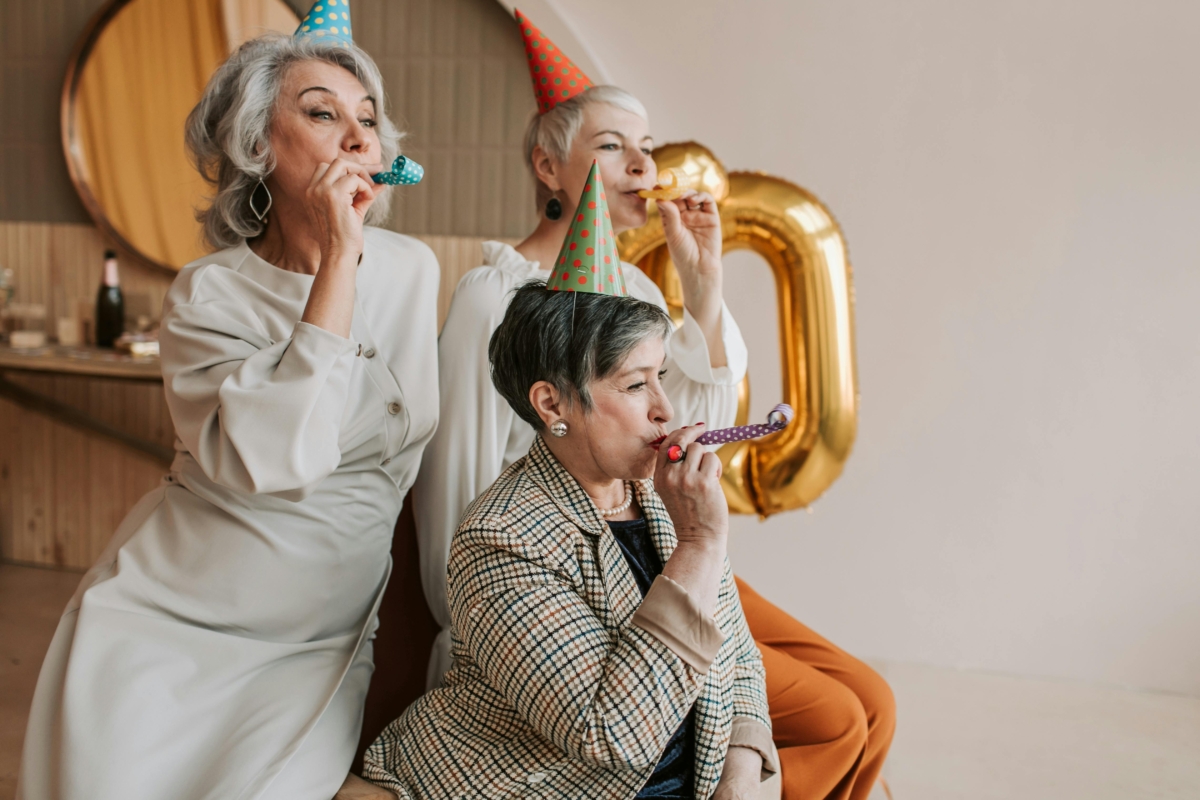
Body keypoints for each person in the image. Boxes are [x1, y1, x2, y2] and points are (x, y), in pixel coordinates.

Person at [411, 11, 894, 800]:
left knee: (869, 701)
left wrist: (702, 288)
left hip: (654, 527)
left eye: (646, 145)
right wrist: (494, 620)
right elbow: (458, 488)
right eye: (613, 146)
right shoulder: (493, 297)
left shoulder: (635, 289)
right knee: (836, 718)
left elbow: (684, 422)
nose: (643, 163)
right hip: (555, 577)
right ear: (547, 164)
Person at [17, 9, 438, 800]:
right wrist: (340, 262)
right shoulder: (209, 296)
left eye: (369, 121)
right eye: (321, 113)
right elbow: (283, 458)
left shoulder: (413, 271)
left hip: (318, 639)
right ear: (256, 147)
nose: (356, 138)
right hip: (176, 621)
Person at [366, 271, 779, 800]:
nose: (666, 408)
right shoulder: (500, 538)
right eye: (635, 384)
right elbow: (611, 734)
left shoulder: (660, 496)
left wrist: (739, 779)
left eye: (662, 376)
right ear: (552, 405)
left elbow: (737, 659)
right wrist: (701, 544)